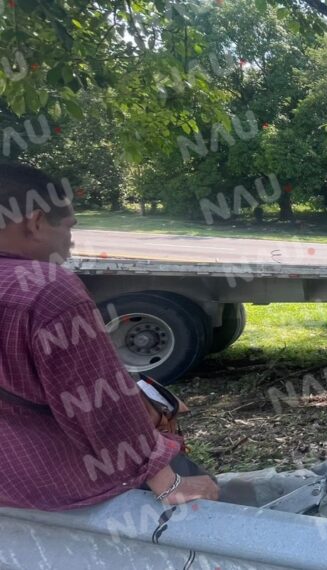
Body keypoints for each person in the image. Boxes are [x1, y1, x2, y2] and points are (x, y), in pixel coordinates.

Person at [0, 163, 219, 511]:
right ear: (36, 222)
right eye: (69, 226)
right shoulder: (47, 289)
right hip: (57, 486)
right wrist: (169, 483)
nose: (70, 240)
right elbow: (96, 403)